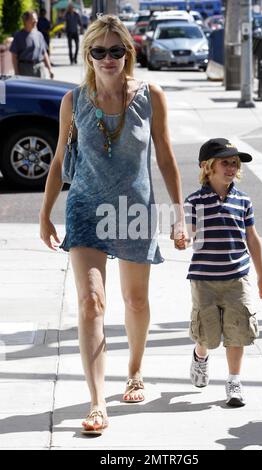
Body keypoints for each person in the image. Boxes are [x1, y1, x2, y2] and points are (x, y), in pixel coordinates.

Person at [39, 14, 186, 435]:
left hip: (133, 209)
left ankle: (134, 372)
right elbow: (59, 161)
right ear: (88, 54)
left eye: (115, 50)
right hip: (85, 209)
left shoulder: (150, 96)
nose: (107, 58)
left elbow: (165, 157)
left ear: (128, 52)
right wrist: (45, 212)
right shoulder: (74, 100)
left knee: (135, 302)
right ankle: (98, 401)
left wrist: (179, 214)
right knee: (91, 302)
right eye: (99, 51)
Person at [184, 138, 262, 407]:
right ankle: (200, 357)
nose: (231, 167)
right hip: (204, 280)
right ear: (207, 167)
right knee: (206, 335)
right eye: (225, 162)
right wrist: (183, 236)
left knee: (238, 330)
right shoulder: (195, 201)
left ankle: (234, 381)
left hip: (237, 278)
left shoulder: (243, 201)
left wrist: (261, 276)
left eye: (235, 163)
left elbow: (253, 239)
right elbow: (188, 233)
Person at [10, 11, 54, 79]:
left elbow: (44, 53)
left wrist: (50, 69)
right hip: (25, 69)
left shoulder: (39, 35)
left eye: (36, 19)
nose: (36, 21)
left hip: (39, 68)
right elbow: (14, 56)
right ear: (26, 21)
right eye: (33, 19)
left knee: (41, 89)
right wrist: (16, 72)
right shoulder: (18, 36)